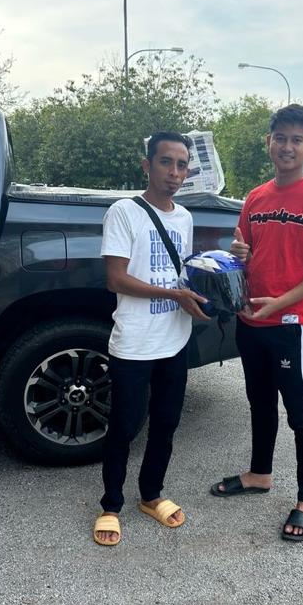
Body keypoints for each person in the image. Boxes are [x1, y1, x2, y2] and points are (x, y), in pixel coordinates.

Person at [210, 104, 303, 542]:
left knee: (301, 414)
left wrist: (280, 303)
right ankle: (260, 474)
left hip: (291, 323)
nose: (287, 146)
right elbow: (245, 251)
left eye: (297, 139)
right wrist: (239, 253)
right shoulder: (255, 197)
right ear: (268, 142)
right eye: (280, 138)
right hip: (252, 321)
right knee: (260, 403)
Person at [94, 131, 209, 546]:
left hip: (174, 339)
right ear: (147, 165)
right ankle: (110, 505)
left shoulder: (185, 218)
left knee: (166, 422)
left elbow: (182, 275)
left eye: (182, 165)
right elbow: (116, 279)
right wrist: (174, 295)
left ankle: (151, 495)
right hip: (135, 342)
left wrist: (204, 290)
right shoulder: (124, 212)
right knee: (125, 425)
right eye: (165, 162)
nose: (174, 172)